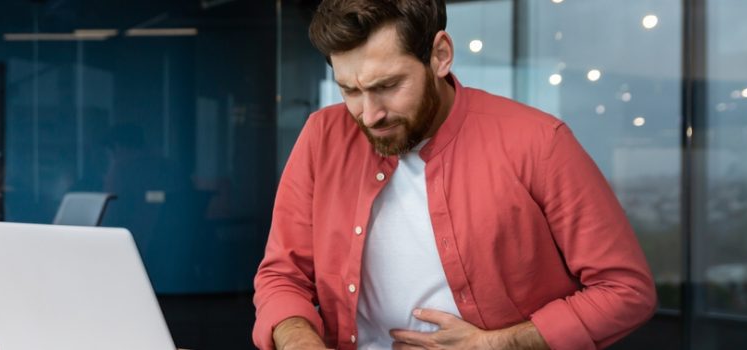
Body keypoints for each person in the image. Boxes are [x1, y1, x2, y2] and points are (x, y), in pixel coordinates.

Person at [253, 1, 657, 349]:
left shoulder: (539, 142)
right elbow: (282, 276)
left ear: (440, 54)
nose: (369, 114)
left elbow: (626, 292)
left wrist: (496, 343)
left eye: (389, 85)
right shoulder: (322, 136)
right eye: (350, 91)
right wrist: (300, 340)